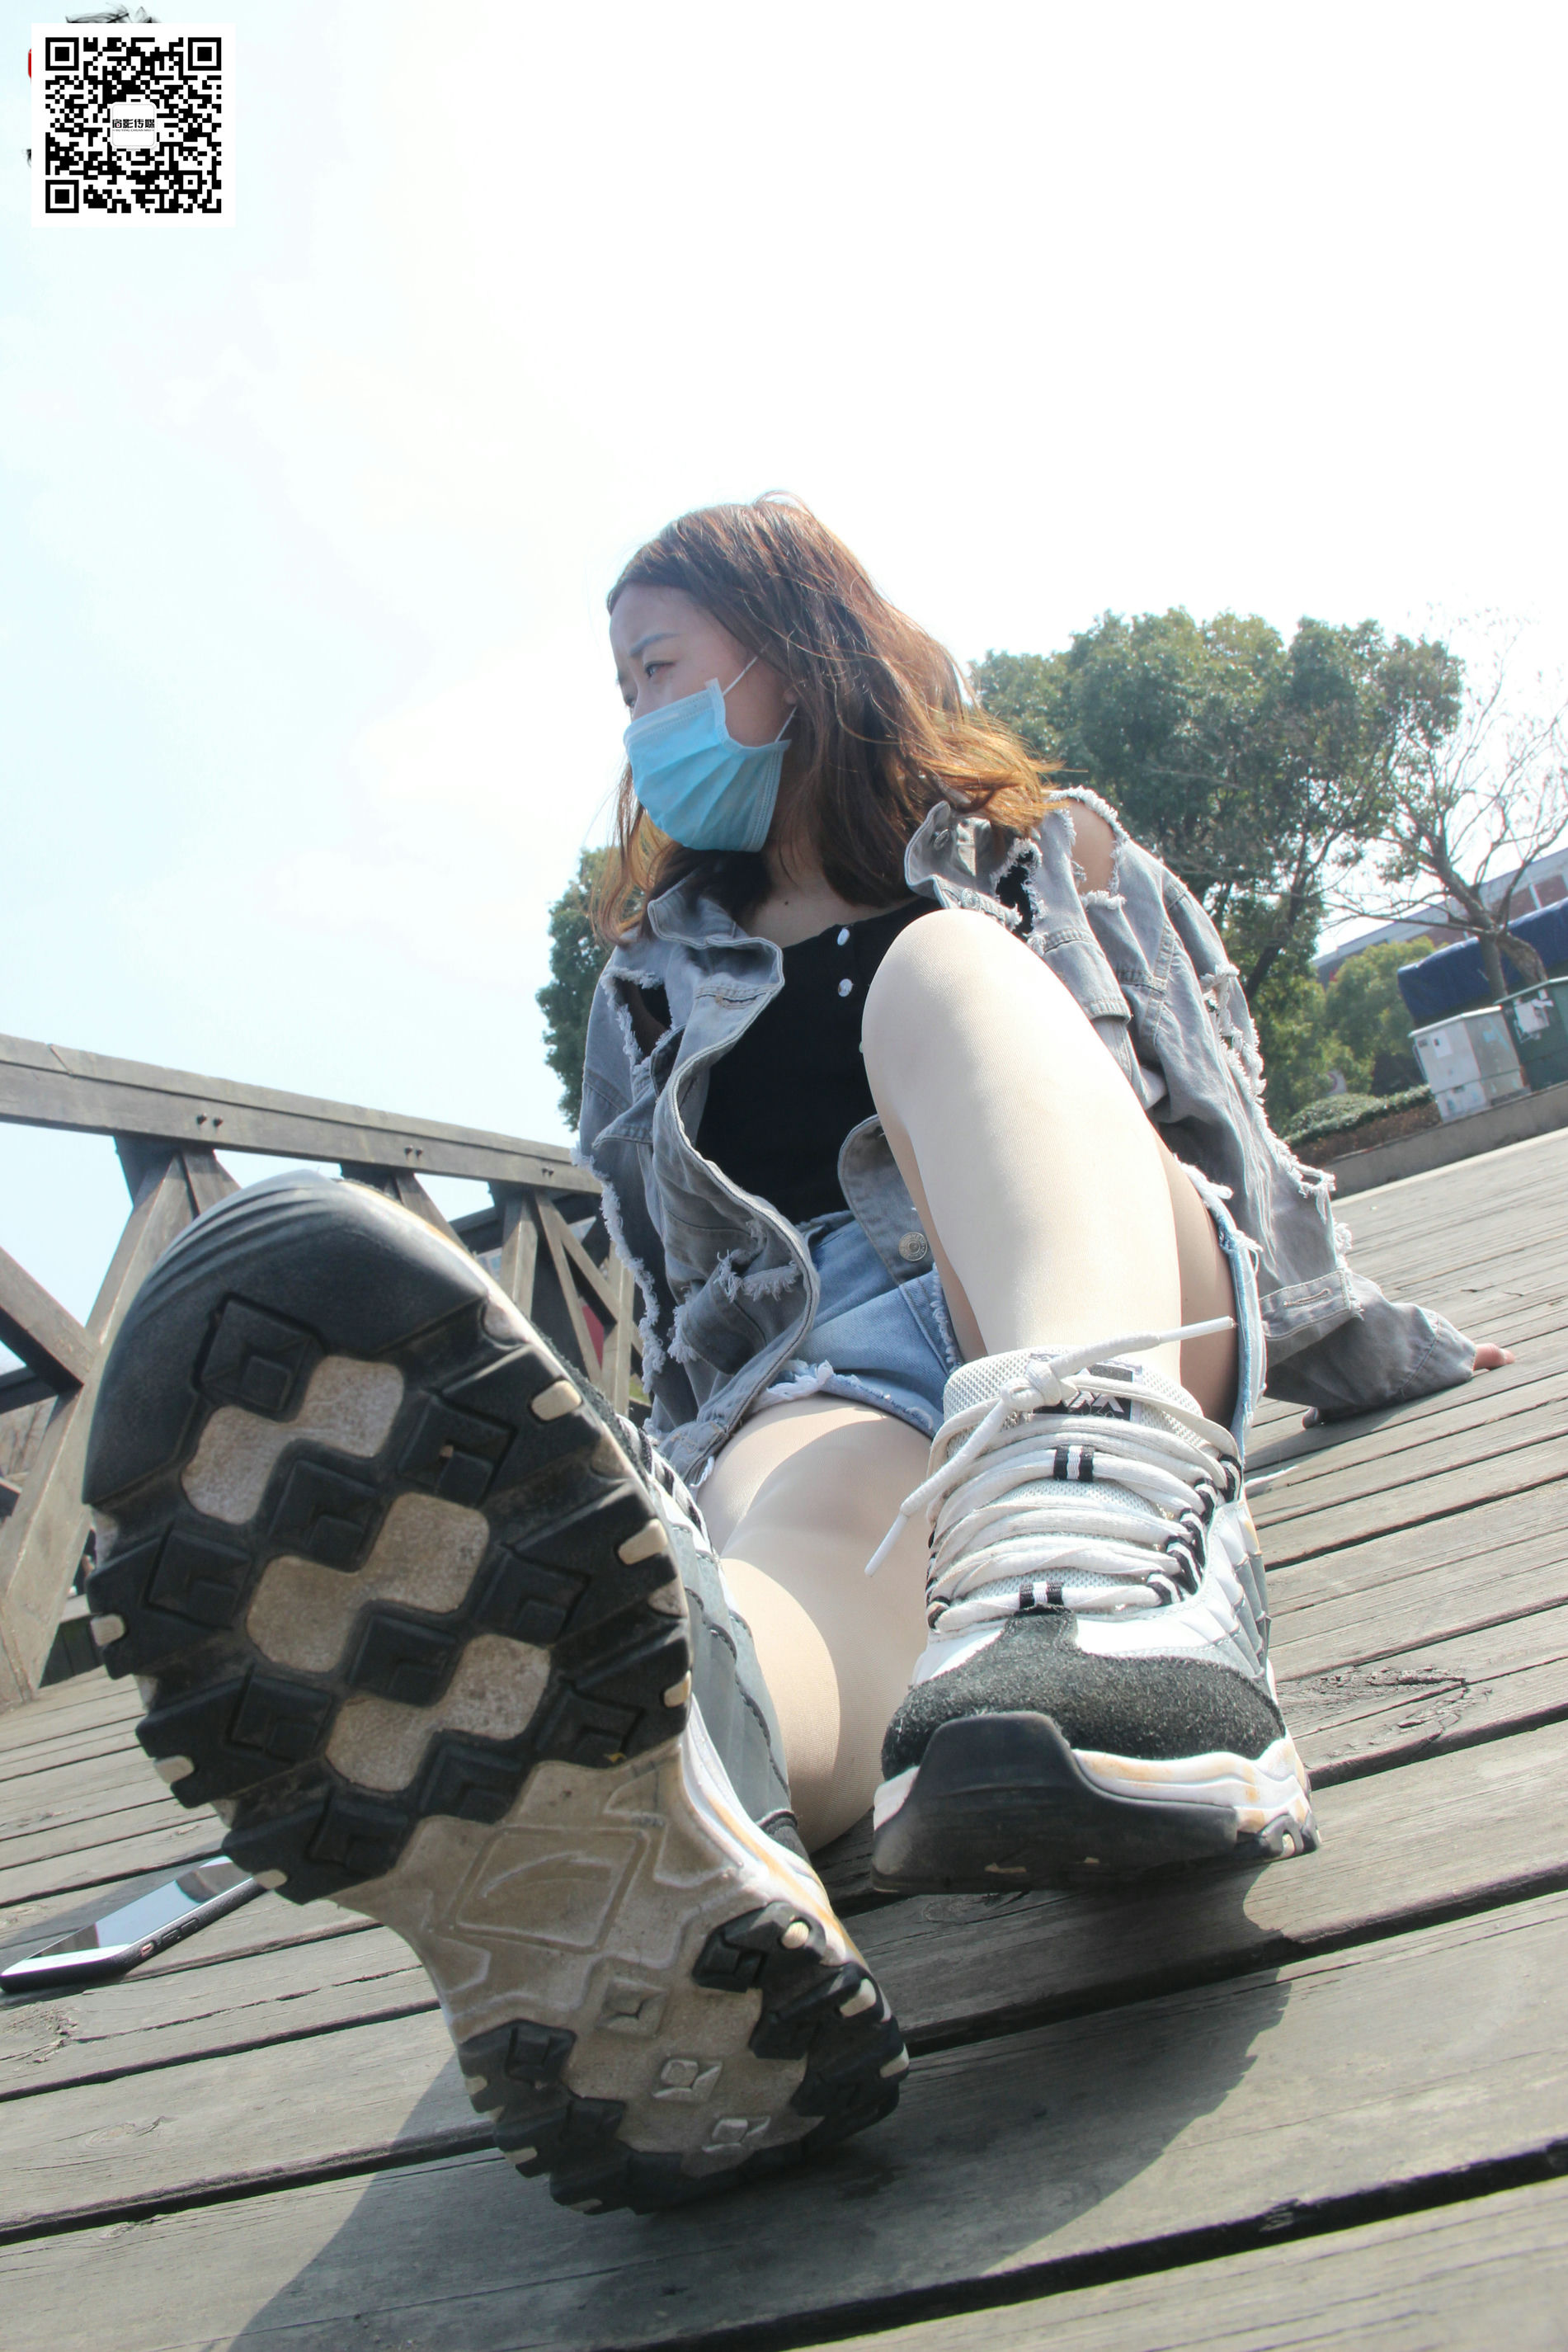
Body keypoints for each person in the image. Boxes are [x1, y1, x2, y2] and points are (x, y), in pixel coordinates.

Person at [82, 496, 1508, 2218]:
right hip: (824, 1354)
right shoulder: (643, 985)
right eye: (623, 691)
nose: (638, 724)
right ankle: (671, 1797)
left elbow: (1222, 1118)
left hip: (1092, 1278)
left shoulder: (1051, 855)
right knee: (793, 1577)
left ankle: (1096, 1569)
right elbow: (675, 1290)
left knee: (944, 976)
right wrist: (677, 1497)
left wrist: (1363, 1342)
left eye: (657, 669)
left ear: (790, 648)